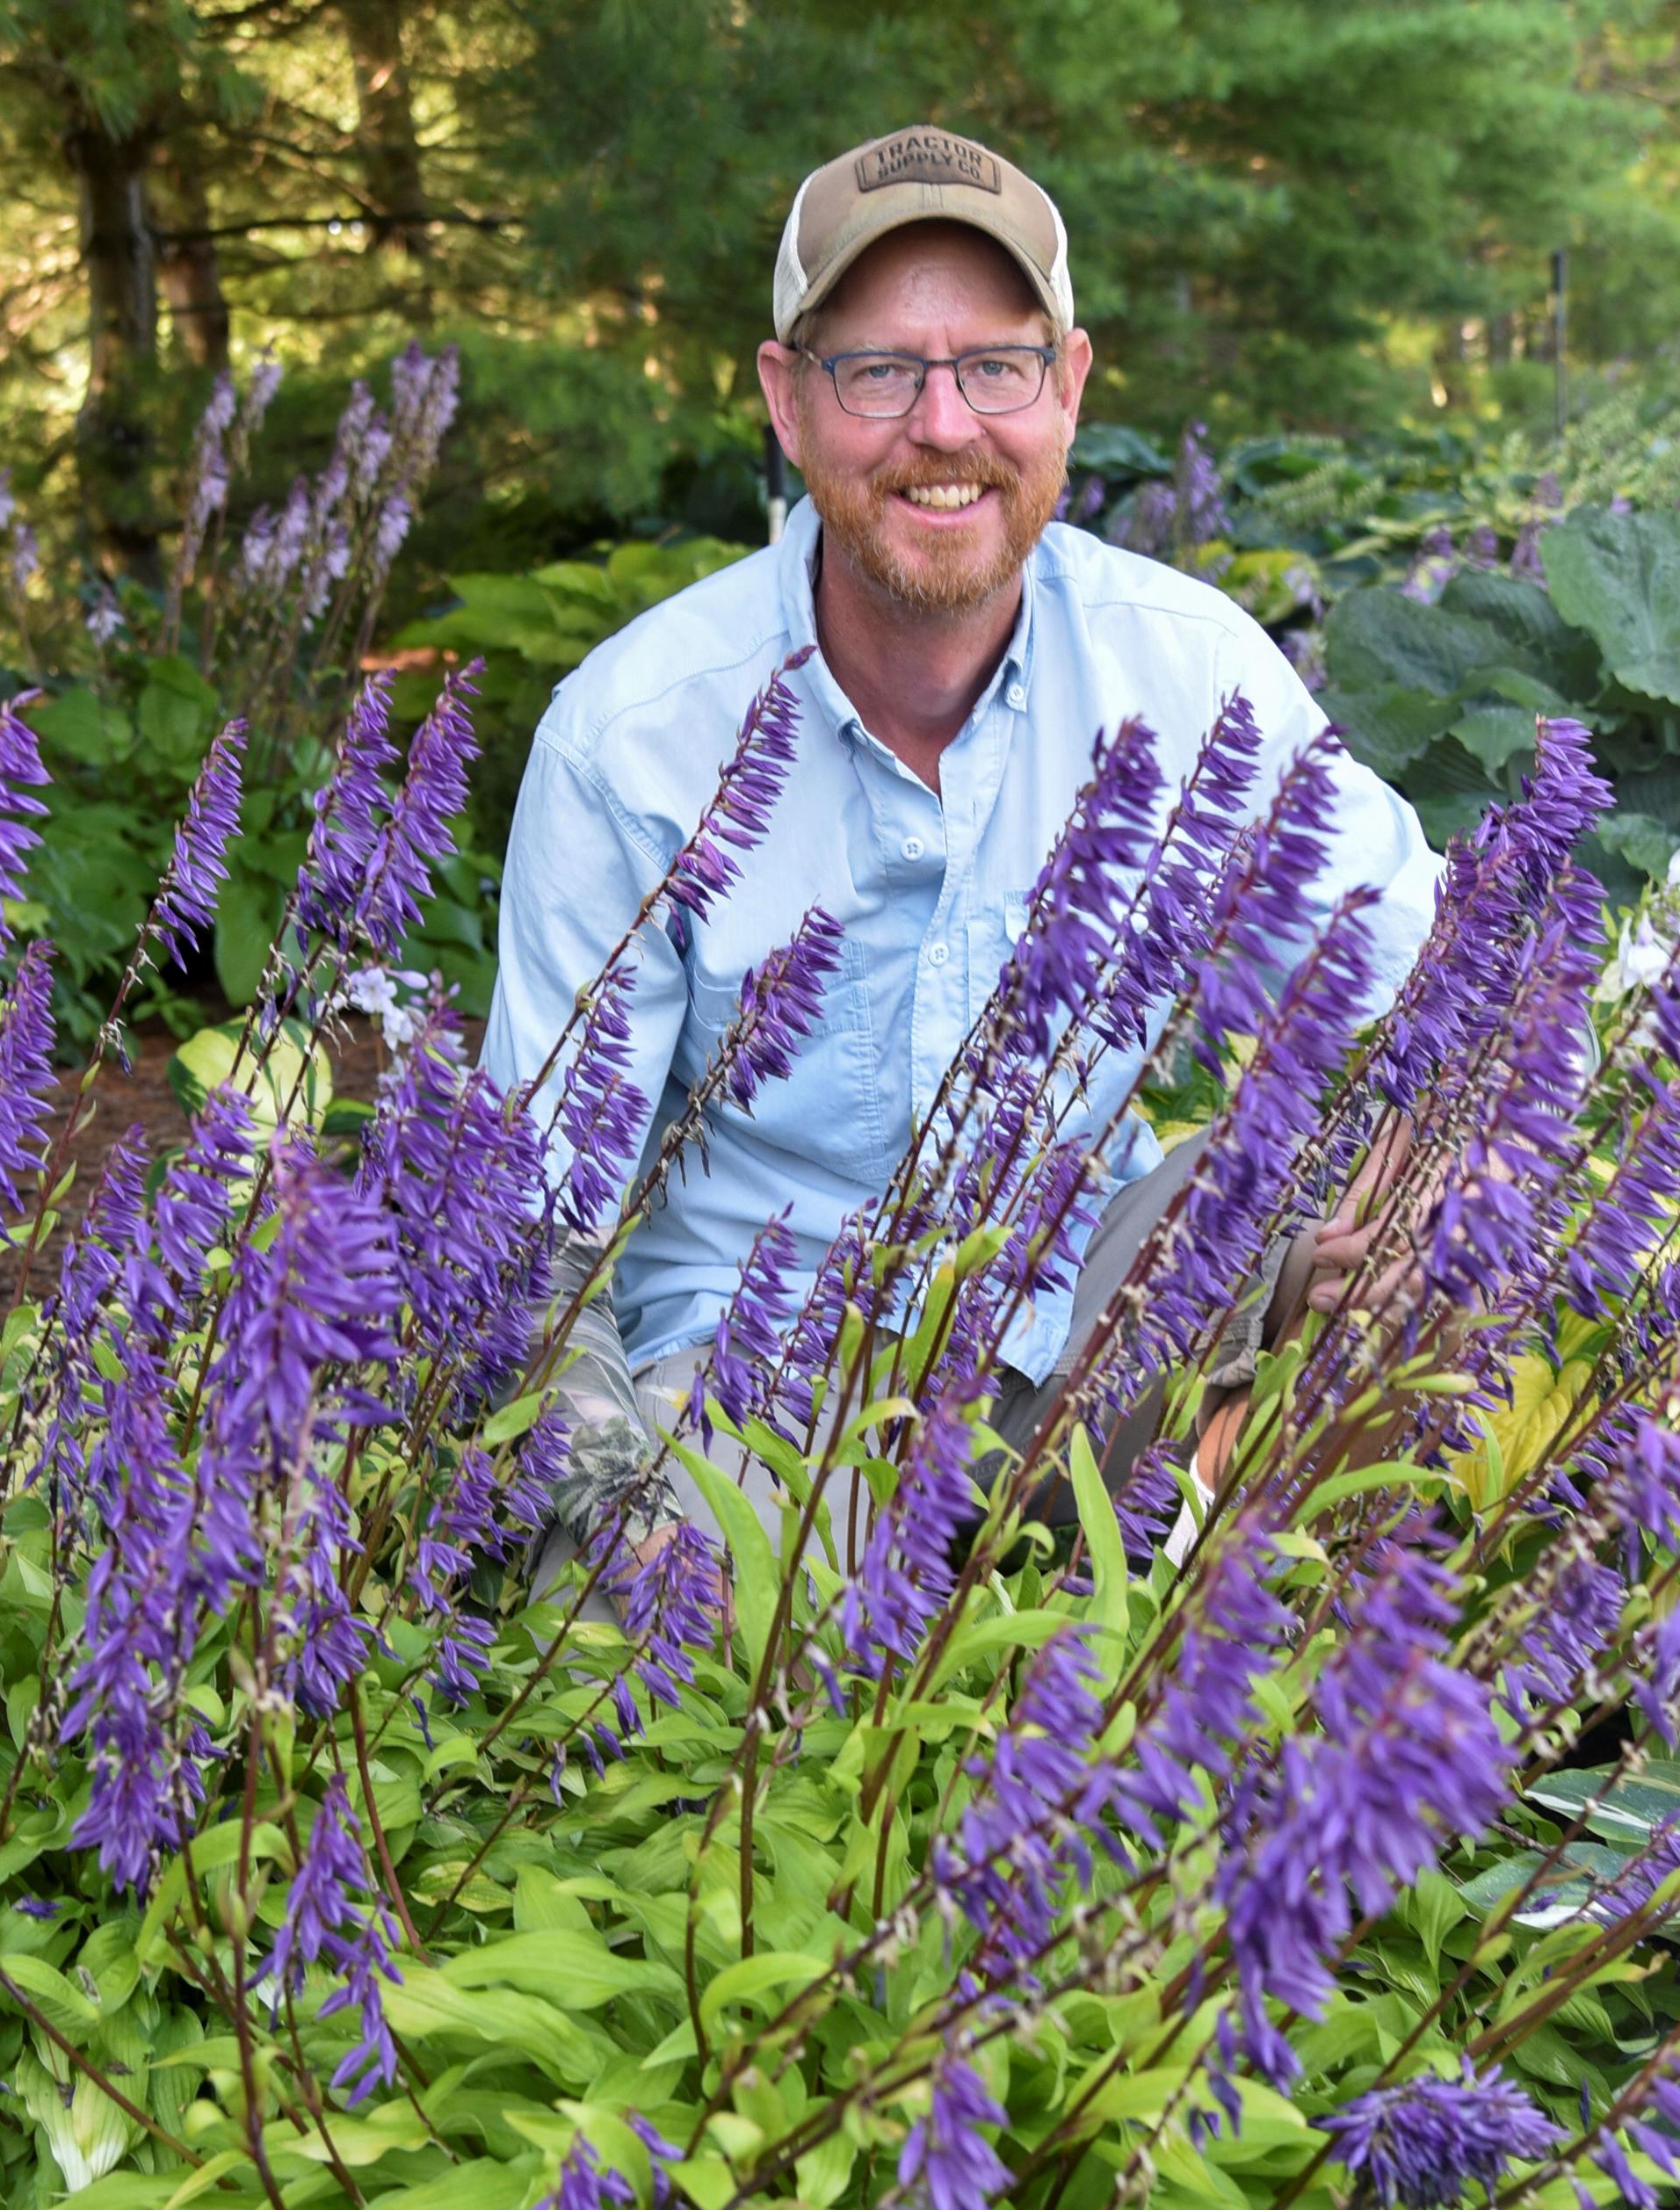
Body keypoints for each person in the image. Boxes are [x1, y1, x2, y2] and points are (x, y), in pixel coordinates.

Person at [482, 122, 1444, 1584]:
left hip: (1093, 1320)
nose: (944, 426)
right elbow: (536, 1233)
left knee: (1418, 1290)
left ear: (1067, 389)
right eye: (879, 370)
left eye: (995, 366)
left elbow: (1432, 996)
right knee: (665, 1634)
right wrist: (608, 1519)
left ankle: (1239, 1636)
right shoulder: (638, 743)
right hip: (757, 1401)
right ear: (788, 401)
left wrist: (1374, 1236)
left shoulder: (1189, 682)